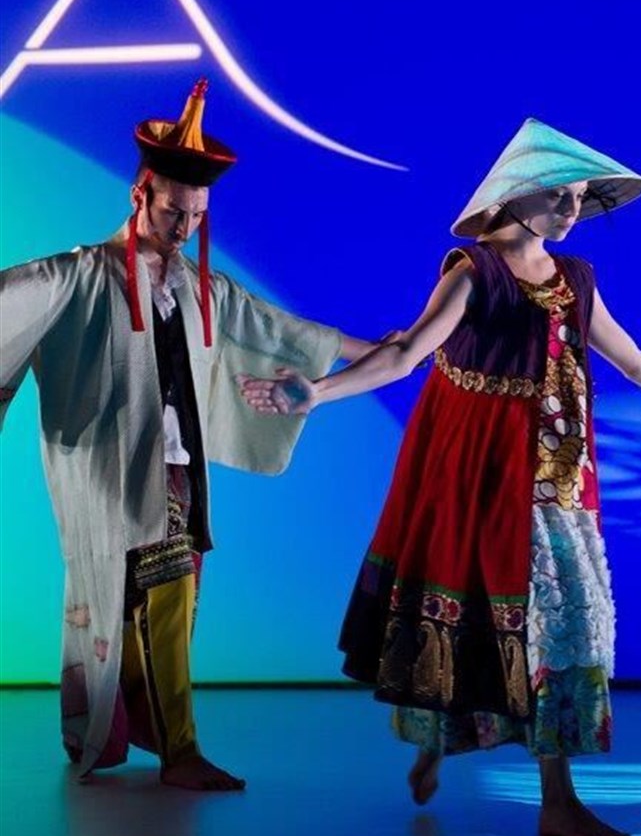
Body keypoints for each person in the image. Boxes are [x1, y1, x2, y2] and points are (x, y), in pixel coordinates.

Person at [238, 117, 641, 836]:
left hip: (558, 486)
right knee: (486, 618)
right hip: (483, 480)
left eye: (581, 199)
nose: (571, 210)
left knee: (563, 628)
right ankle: (455, 752)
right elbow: (406, 354)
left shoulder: (576, 279)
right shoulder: (474, 272)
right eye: (560, 195)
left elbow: (635, 361)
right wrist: (317, 394)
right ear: (518, 194)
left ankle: (547, 795)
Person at [0, 78, 379, 791]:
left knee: (170, 600)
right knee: (127, 602)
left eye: (198, 216)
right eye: (175, 211)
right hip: (110, 470)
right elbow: (9, 300)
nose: (184, 228)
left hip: (176, 468)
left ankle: (149, 739)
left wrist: (392, 349)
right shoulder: (82, 274)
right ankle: (153, 744)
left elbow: (284, 331)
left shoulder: (201, 289)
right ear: (141, 193)